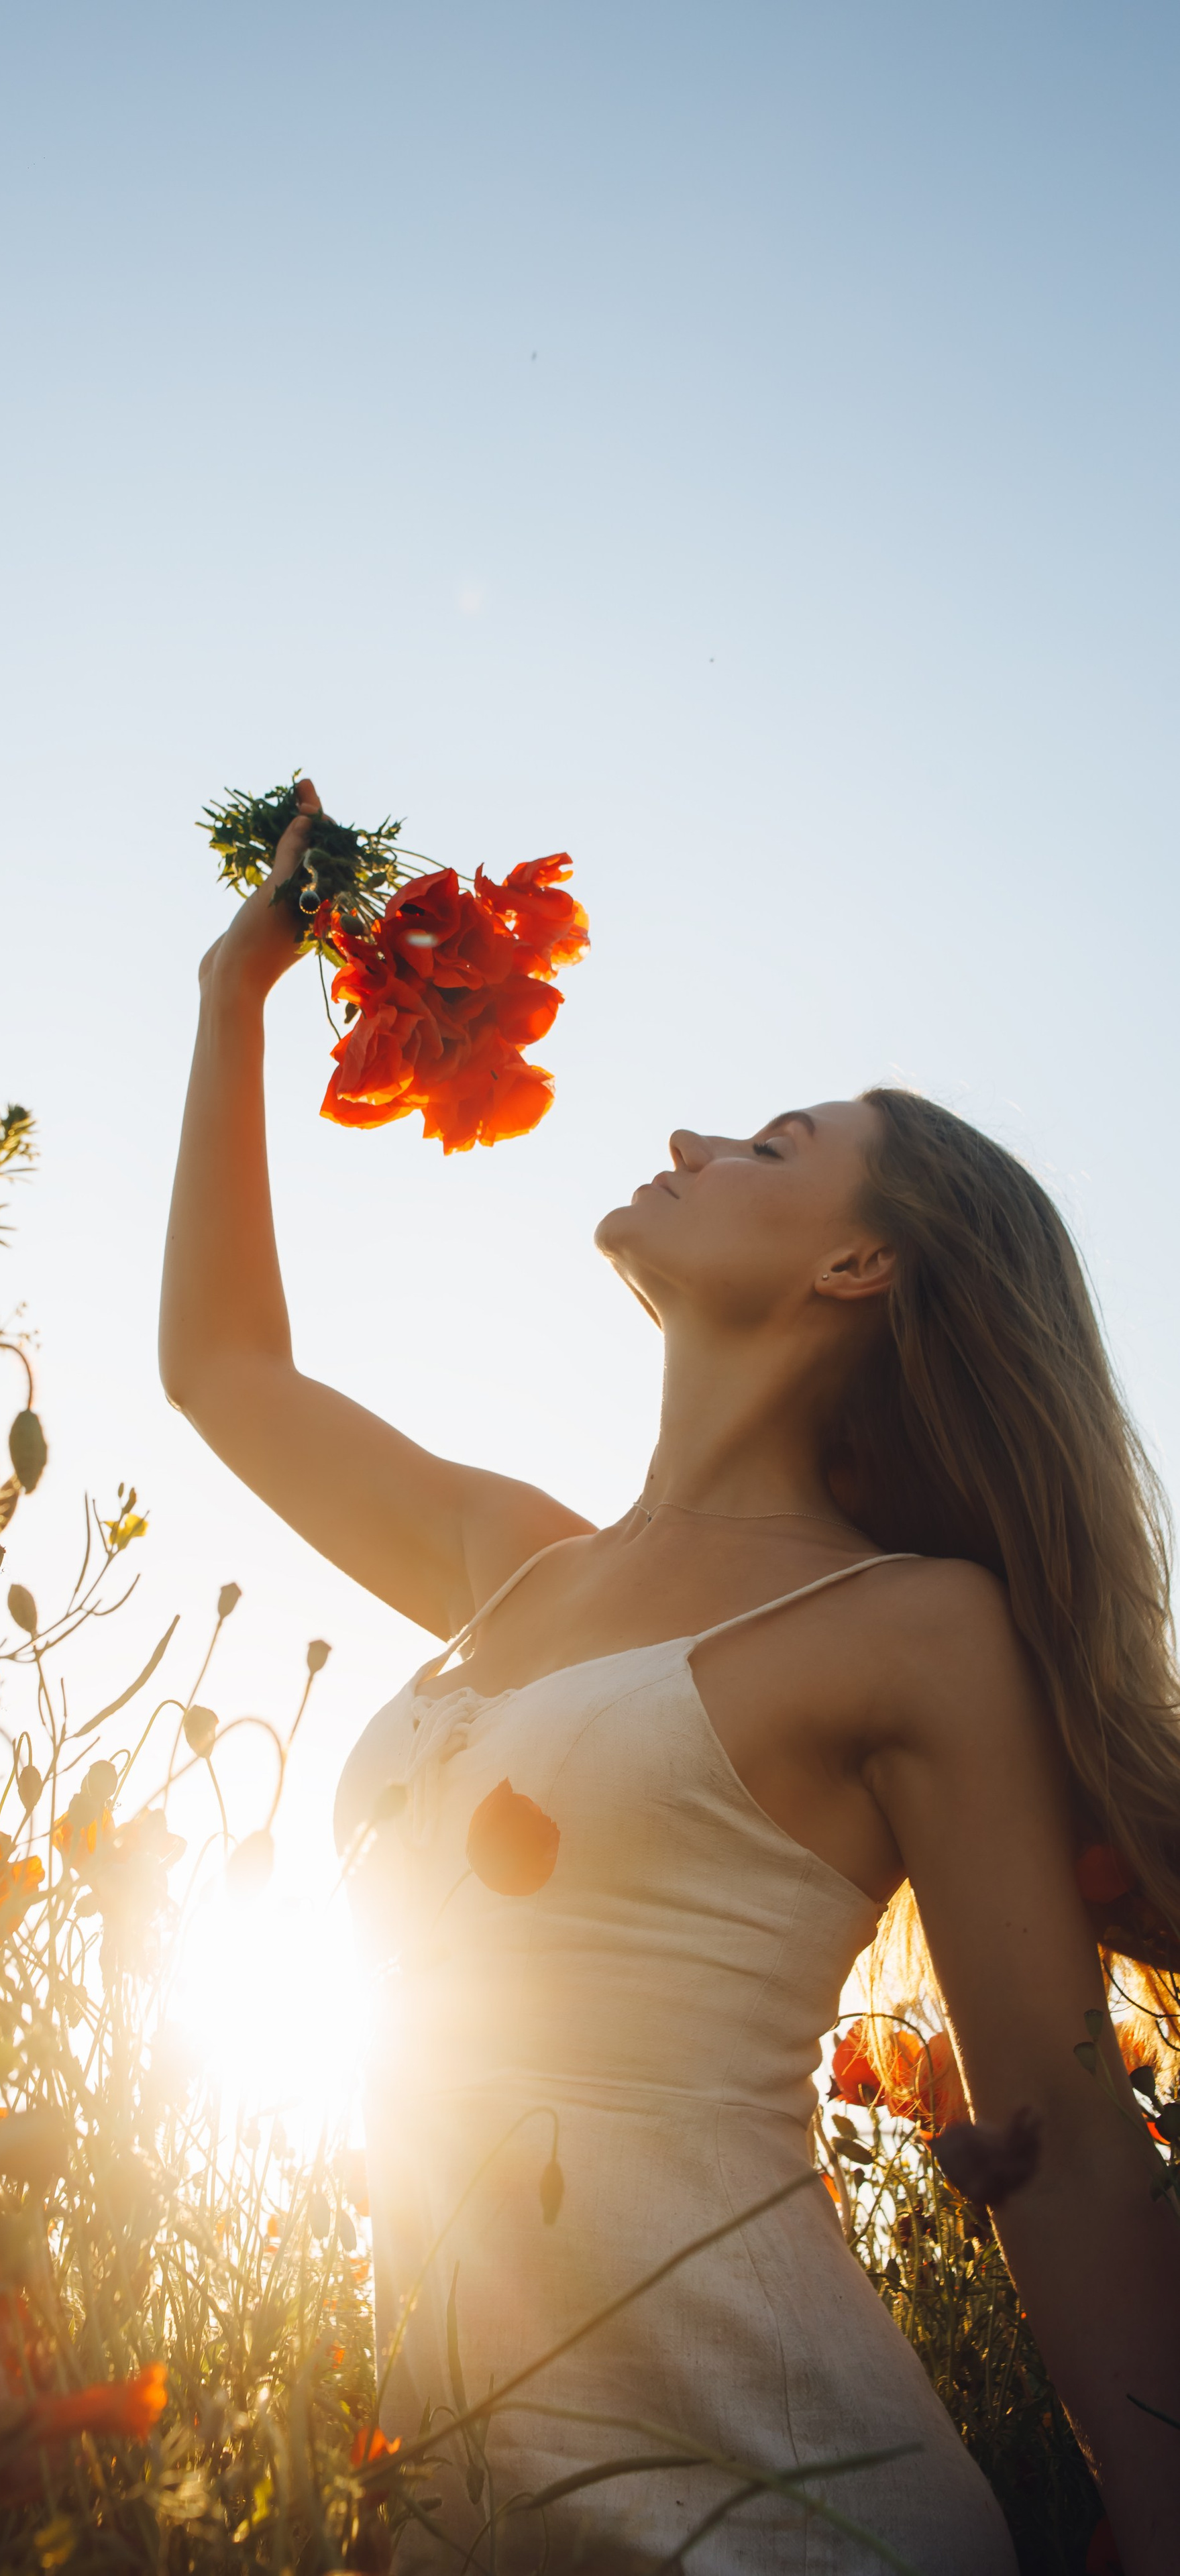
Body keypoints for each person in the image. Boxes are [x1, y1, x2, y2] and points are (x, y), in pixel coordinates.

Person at [159, 780, 1180, 2571]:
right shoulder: (519, 1564)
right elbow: (225, 1374)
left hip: (795, 2526)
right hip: (473, 2526)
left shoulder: (920, 1629)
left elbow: (1068, 2140)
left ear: (860, 1264)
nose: (697, 1140)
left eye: (773, 1148)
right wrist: (231, 1000)